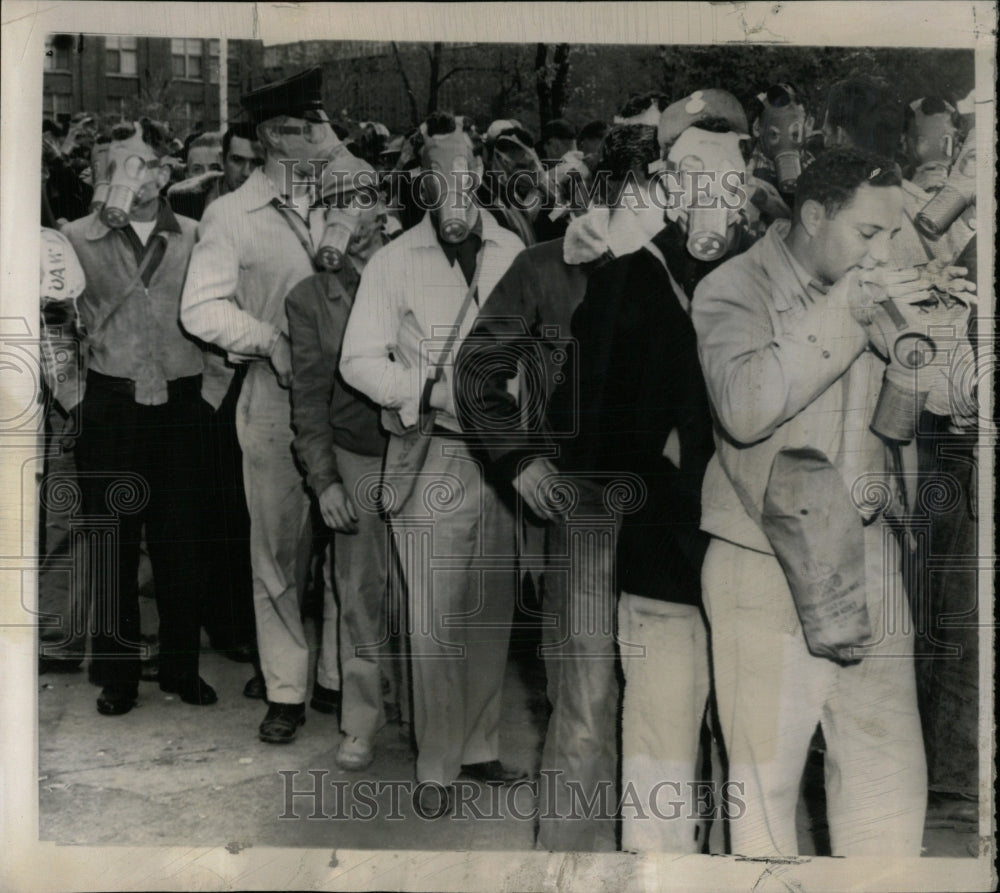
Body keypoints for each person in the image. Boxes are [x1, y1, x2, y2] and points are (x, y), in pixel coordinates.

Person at [691, 148, 935, 856]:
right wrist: (846, 311)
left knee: (887, 774)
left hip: (870, 553)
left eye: (892, 235)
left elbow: (939, 399)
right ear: (814, 216)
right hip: (762, 560)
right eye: (868, 234)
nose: (883, 252)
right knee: (765, 792)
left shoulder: (875, 278)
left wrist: (941, 337)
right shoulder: (731, 287)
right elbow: (744, 408)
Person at [340, 111, 527, 813]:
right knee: (433, 618)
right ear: (422, 185)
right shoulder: (393, 263)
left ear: (481, 178)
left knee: (490, 608)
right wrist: (424, 388)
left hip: (503, 458)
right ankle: (437, 765)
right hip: (434, 454)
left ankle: (480, 747)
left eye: (466, 175)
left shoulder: (513, 249)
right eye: (439, 178)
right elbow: (357, 359)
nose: (455, 190)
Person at [182, 67, 353, 744]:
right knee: (279, 554)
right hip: (275, 402)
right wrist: (268, 340)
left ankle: (339, 675)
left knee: (350, 548)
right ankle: (285, 687)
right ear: (280, 138)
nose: (325, 140)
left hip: (350, 403)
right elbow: (200, 309)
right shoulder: (231, 215)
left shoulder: (342, 199)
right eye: (313, 129)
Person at [61, 118, 214, 715]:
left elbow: (223, 308)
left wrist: (210, 395)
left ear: (164, 170)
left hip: (182, 406)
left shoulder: (197, 236)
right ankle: (117, 676)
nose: (134, 175)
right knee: (112, 545)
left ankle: (181, 668)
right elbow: (48, 325)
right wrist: (75, 397)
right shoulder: (73, 238)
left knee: (183, 544)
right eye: (117, 163)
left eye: (143, 162)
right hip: (110, 404)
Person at [286, 170, 393, 772]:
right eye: (337, 207)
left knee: (430, 590)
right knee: (358, 594)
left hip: (424, 451)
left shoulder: (415, 267)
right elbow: (307, 396)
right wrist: (324, 480)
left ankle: (435, 719)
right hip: (356, 457)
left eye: (363, 204)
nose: (353, 219)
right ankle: (360, 720)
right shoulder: (309, 298)